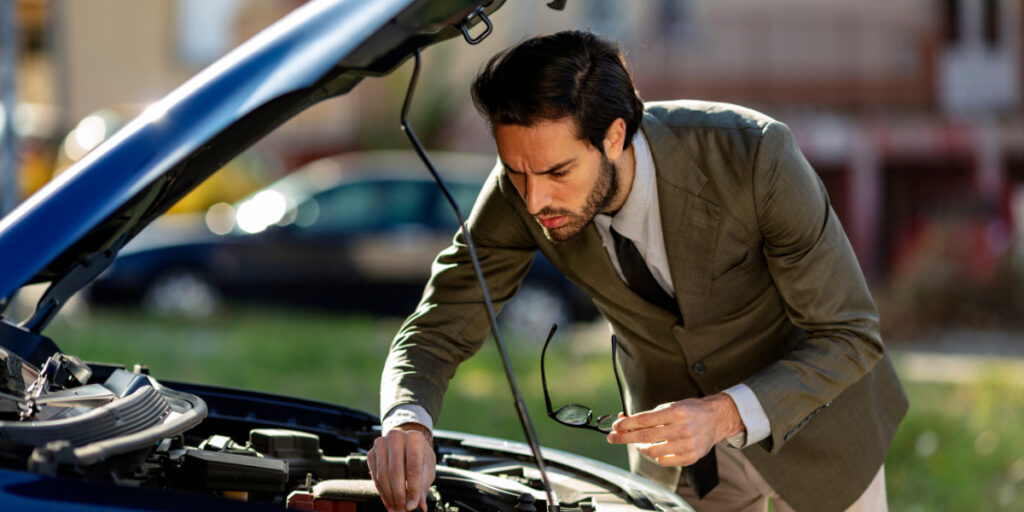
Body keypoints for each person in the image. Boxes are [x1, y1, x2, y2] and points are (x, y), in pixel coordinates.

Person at [368, 30, 908, 512]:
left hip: (820, 431)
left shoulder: (755, 156)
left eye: (559, 171)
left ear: (614, 135)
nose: (535, 200)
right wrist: (407, 420)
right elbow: (438, 325)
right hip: (679, 461)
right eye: (516, 173)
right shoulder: (521, 192)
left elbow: (850, 333)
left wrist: (722, 415)